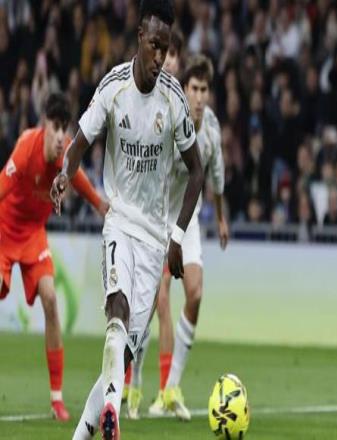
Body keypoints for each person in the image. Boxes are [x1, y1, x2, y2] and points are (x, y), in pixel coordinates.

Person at [51, 1, 204, 438]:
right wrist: (64, 175)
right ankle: (112, 413)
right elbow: (80, 142)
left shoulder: (173, 99)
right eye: (154, 45)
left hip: (155, 239)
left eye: (166, 49)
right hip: (119, 220)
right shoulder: (113, 87)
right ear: (139, 36)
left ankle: (90, 426)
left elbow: (196, 170)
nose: (160, 57)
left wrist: (177, 236)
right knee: (115, 311)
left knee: (122, 356)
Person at [125, 52, 228, 421]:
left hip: (189, 219)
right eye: (194, 89)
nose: (199, 97)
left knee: (196, 293)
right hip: (158, 219)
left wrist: (221, 219)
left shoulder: (211, 130)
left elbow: (216, 178)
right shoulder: (169, 121)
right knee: (150, 304)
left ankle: (170, 389)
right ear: (185, 91)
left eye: (204, 90)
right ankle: (136, 381)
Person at [0, 92, 108, 421]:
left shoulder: (66, 157)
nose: (61, 136)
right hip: (5, 230)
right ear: (45, 125)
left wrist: (100, 205)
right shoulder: (26, 147)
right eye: (56, 127)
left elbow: (80, 180)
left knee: (50, 299)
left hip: (34, 234)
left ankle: (57, 399)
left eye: (65, 128)